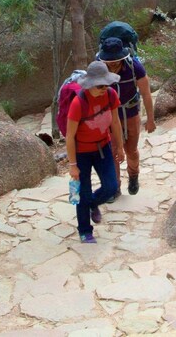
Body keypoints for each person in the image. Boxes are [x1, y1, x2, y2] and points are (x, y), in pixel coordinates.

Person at [66, 61, 123, 244]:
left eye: (106, 85)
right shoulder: (78, 103)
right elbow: (69, 136)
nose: (104, 89)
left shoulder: (111, 95)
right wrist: (72, 165)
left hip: (103, 147)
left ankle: (92, 203)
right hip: (82, 152)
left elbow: (115, 123)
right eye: (100, 86)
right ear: (90, 84)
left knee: (111, 186)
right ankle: (85, 231)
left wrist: (119, 147)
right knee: (83, 192)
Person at [96, 36, 156, 199]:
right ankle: (114, 187)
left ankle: (133, 175)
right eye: (110, 60)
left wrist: (150, 119)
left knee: (131, 150)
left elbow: (146, 93)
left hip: (130, 113)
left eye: (116, 60)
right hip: (108, 115)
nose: (113, 63)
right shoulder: (99, 69)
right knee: (113, 151)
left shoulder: (134, 66)